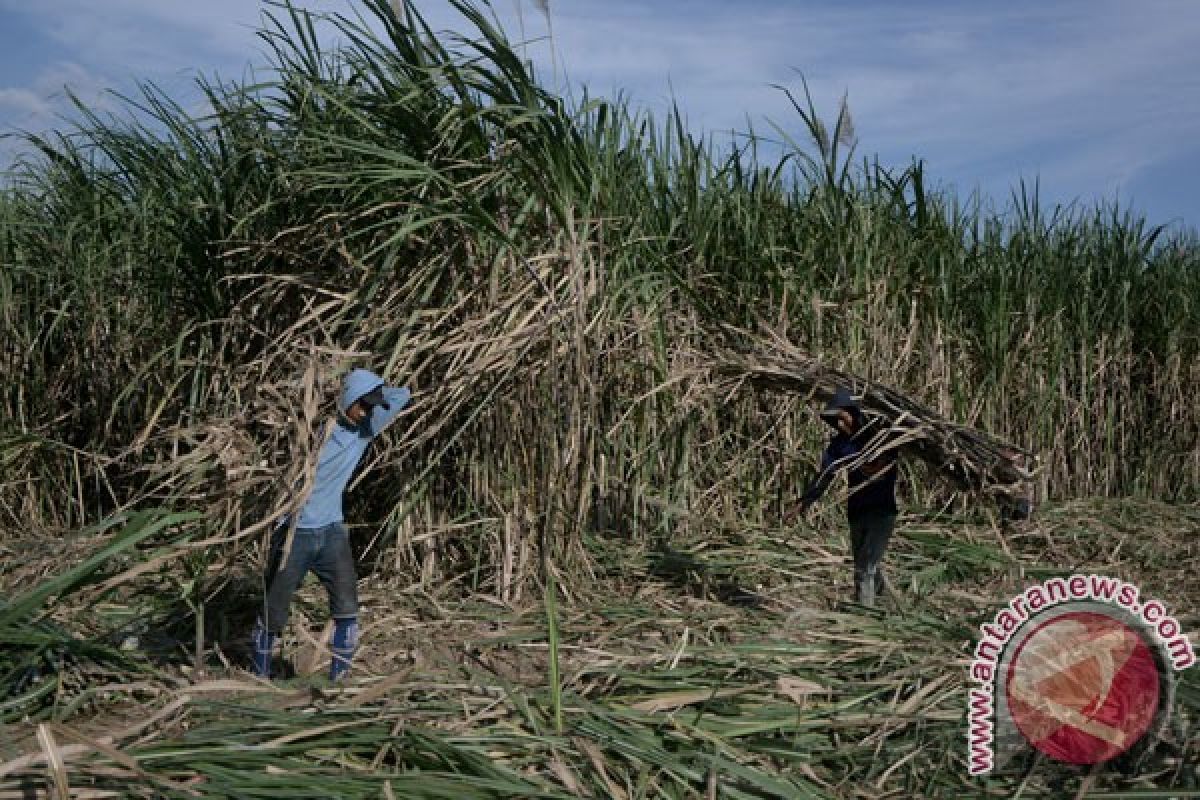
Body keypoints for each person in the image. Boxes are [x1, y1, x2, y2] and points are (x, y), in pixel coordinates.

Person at [251, 368, 410, 680]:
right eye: (361, 405)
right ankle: (260, 677)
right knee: (274, 611)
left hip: (332, 533)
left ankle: (339, 680)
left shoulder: (365, 432)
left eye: (371, 406)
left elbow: (402, 395)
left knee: (347, 609)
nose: (366, 412)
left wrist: (372, 388)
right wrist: (329, 392)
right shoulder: (310, 431)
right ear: (346, 400)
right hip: (294, 532)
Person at [788, 387, 899, 607]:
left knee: (864, 568)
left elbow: (886, 462)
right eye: (834, 420)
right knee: (866, 566)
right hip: (856, 512)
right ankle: (890, 607)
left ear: (854, 412)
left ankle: (863, 621)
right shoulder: (839, 446)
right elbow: (824, 477)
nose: (839, 424)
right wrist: (804, 503)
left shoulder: (881, 437)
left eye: (842, 417)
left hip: (882, 512)